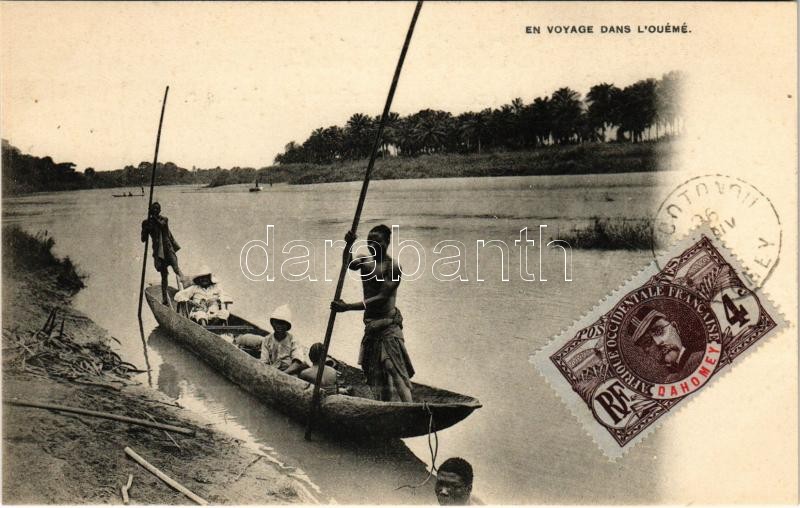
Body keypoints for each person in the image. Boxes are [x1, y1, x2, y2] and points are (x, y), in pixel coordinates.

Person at [330, 224, 415, 402]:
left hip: (388, 324)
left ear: (387, 242)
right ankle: (387, 405)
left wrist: (348, 307)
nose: (373, 245)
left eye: (377, 242)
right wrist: (349, 244)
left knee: (392, 366)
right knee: (376, 372)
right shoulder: (364, 260)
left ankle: (409, 406)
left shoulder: (393, 267)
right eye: (369, 242)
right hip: (371, 326)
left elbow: (382, 297)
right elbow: (347, 264)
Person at [629, 307, 704, 383]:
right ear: (647, 352)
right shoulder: (669, 382)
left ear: (675, 327)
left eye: (659, 331)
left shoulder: (702, 359)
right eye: (647, 342)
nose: (658, 342)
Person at [141, 201, 185, 305]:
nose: (155, 210)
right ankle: (165, 299)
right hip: (158, 252)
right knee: (164, 275)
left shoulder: (164, 219)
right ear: (150, 210)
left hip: (168, 249)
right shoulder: (146, 223)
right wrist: (146, 229)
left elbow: (162, 225)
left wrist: (152, 219)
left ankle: (185, 292)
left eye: (157, 209)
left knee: (176, 269)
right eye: (153, 209)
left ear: (160, 210)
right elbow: (143, 239)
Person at [258, 304, 306, 375]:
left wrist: (283, 374)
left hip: (289, 373)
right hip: (271, 371)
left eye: (282, 323)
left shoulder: (294, 340)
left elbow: (297, 362)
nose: (279, 326)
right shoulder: (267, 339)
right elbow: (264, 361)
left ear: (287, 326)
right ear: (272, 323)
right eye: (276, 322)